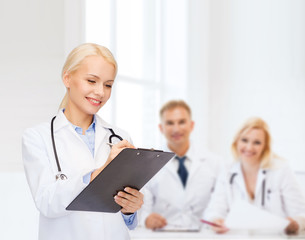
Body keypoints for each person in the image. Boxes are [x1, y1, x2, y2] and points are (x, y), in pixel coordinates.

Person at [22, 43, 144, 240]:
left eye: (108, 85)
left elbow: (128, 221)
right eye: (91, 81)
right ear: (67, 78)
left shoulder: (120, 137)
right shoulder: (37, 137)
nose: (100, 92)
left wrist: (130, 209)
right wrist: (100, 174)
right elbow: (46, 203)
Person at [203, 117, 305, 234]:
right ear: (236, 141)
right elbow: (214, 209)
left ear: (265, 147)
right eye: (244, 140)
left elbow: (301, 213)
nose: (249, 147)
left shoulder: (281, 170)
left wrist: (295, 223)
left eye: (257, 142)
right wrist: (216, 220)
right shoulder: (227, 170)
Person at [139, 100, 222, 230]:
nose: (176, 129)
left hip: (203, 235)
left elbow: (219, 203)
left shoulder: (214, 163)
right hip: (164, 235)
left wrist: (216, 219)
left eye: (182, 122)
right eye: (170, 123)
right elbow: (141, 209)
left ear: (191, 125)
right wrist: (146, 220)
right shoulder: (148, 164)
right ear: (161, 128)